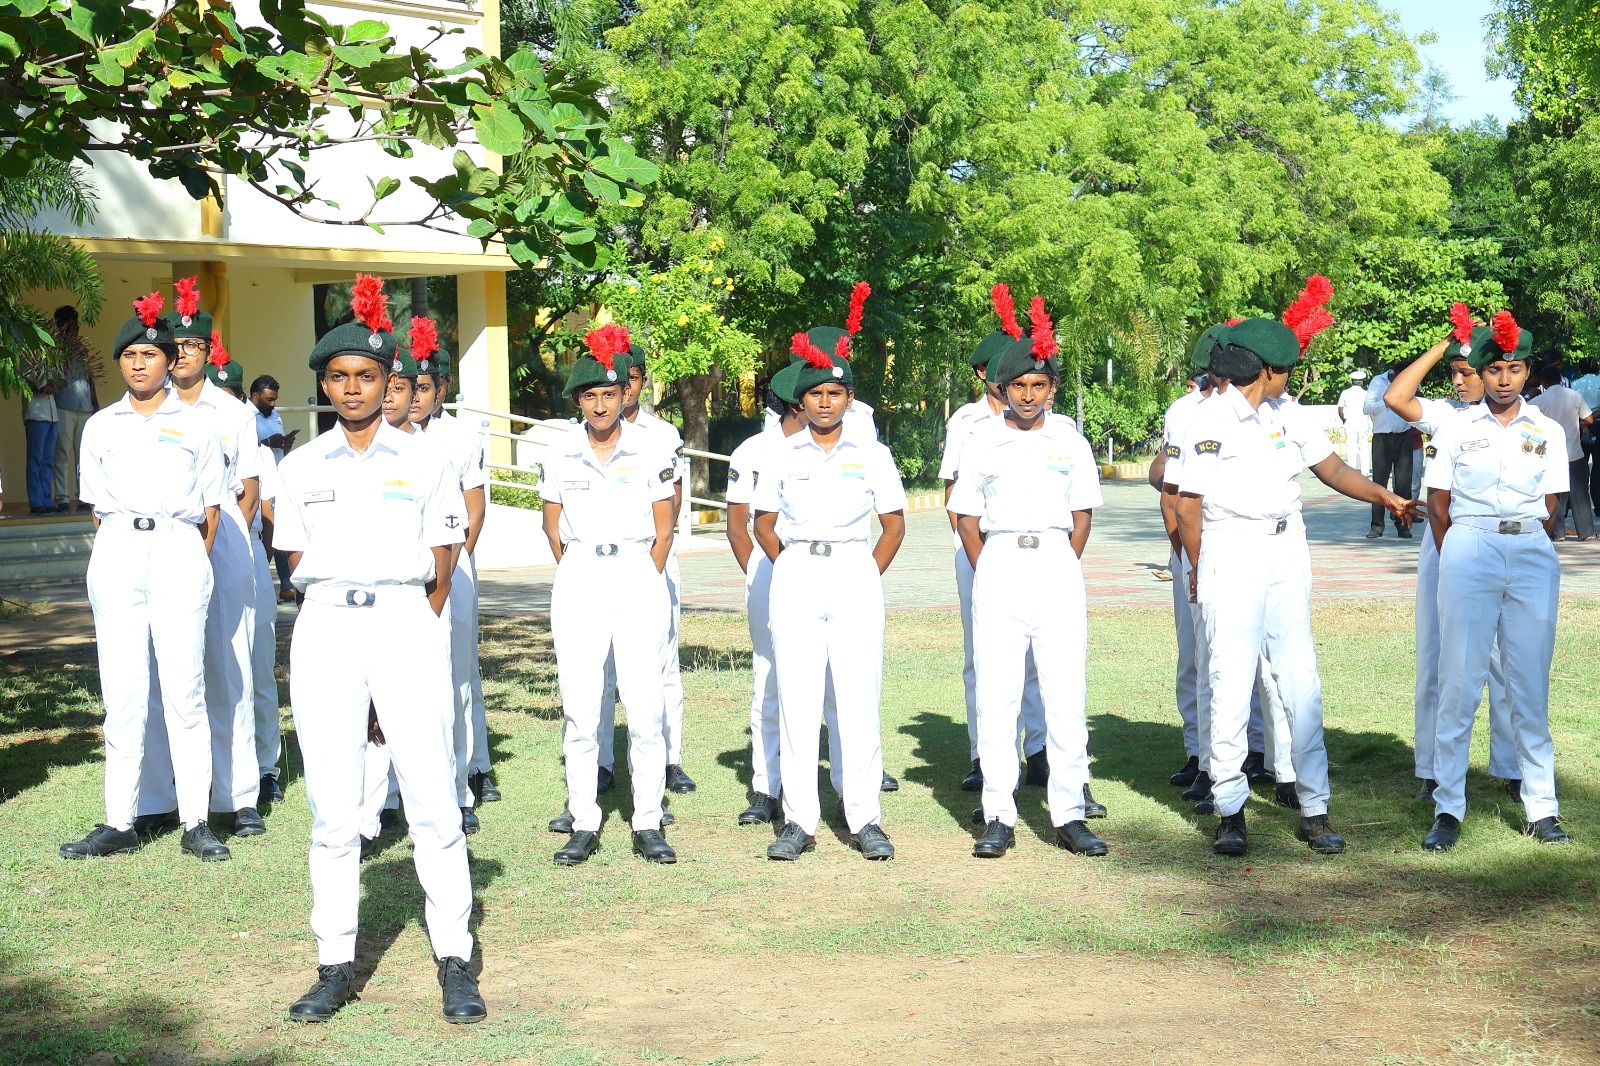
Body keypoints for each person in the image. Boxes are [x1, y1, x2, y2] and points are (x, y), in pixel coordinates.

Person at [274, 276, 485, 1024]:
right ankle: (334, 963)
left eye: (366, 376)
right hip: (328, 626)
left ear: (389, 380)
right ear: (325, 384)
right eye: (339, 376)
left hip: (403, 620)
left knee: (431, 799)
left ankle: (454, 957)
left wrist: (410, 631)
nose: (353, 388)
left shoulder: (426, 460)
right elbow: (293, 561)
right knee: (334, 810)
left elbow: (443, 560)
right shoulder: (300, 466)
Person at [1175, 280, 1417, 857]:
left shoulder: (1288, 413)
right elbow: (1186, 507)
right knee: (1230, 681)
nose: (1291, 378)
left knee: (1300, 679)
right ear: (1267, 370)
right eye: (1287, 369)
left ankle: (1315, 808)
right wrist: (1203, 567)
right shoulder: (1207, 420)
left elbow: (1333, 470)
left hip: (1287, 548)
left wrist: (1384, 496)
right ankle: (1231, 811)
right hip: (1232, 547)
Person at [58, 292, 228, 862]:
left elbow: (211, 511)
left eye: (149, 354)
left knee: (185, 690)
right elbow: (96, 506)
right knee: (124, 690)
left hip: (178, 546)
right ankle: (119, 821)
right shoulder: (101, 426)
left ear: (170, 361)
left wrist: (187, 558)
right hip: (119, 549)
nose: (137, 364)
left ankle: (196, 820)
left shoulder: (198, 425)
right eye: (129, 355)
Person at [950, 298, 1108, 858]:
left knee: (1065, 693)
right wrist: (989, 565)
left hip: (1055, 563)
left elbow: (1082, 514)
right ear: (1003, 389)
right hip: (999, 562)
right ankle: (999, 814)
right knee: (998, 695)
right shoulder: (980, 441)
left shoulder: (1069, 441)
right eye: (1017, 386)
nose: (1027, 395)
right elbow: (965, 517)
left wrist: (1060, 560)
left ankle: (1069, 813)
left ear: (1052, 388)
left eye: (1038, 385)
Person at [753, 326, 908, 862]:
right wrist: (791, 566)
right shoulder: (781, 454)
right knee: (797, 698)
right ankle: (798, 820)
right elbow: (763, 523)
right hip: (797, 569)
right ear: (801, 401)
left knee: (857, 697)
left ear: (849, 398)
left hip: (852, 570)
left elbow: (893, 525)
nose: (825, 402)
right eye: (816, 393)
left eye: (835, 393)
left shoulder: (873, 454)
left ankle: (864, 818)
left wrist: (864, 573)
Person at [1421, 312, 1571, 851]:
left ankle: (1542, 807)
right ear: (1480, 373)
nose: (1505, 380)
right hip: (1470, 546)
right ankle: (1448, 807)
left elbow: (1553, 504)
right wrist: (1461, 552)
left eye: (1515, 369)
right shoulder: (1456, 428)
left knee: (1529, 684)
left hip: (1530, 548)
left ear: (1528, 371)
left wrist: (1525, 541)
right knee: (1459, 684)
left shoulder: (1547, 430)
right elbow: (1438, 502)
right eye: (1495, 370)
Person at [539, 322, 677, 866]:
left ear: (625, 394)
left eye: (609, 394)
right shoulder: (561, 452)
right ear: (578, 400)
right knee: (580, 708)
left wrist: (643, 572)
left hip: (637, 572)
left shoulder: (651, 448)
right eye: (590, 396)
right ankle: (583, 820)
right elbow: (552, 527)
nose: (600, 405)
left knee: (644, 708)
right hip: (581, 577)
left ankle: (647, 821)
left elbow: (664, 528)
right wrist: (581, 569)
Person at [132, 282, 264, 841]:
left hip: (223, 539)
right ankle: (162, 796)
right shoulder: (145, 409)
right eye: (176, 346)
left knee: (229, 668)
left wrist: (211, 549)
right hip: (165, 545)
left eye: (193, 346)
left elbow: (249, 491)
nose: (183, 354)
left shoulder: (232, 412)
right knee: (161, 672)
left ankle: (239, 796)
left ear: (208, 352)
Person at [1382, 305, 1523, 802]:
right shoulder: (1445, 414)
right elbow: (1396, 396)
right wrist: (1447, 344)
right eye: (1454, 374)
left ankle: (1513, 767)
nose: (1459, 382)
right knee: (1437, 655)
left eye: (1467, 372)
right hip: (1446, 540)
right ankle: (1434, 768)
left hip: (1501, 540)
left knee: (1507, 658)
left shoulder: (1525, 417)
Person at [940, 285, 1048, 795]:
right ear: (986, 373)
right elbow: (953, 492)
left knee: (1038, 655)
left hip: (1031, 548)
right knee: (983, 656)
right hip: (979, 548)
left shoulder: (1049, 423)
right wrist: (978, 554)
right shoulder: (966, 422)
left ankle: (1039, 749)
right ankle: (984, 754)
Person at [408, 323, 494, 829]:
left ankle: (469, 774)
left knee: (460, 673)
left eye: (424, 387)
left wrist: (455, 562)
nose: (415, 397)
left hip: (452, 562)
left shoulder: (459, 437)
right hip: (404, 572)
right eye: (408, 387)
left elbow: (473, 510)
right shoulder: (390, 432)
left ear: (440, 389)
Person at [1528, 362, 1595, 540]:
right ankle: (1587, 532)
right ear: (1560, 379)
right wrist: (1576, 422)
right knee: (1580, 494)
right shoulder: (1574, 395)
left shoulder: (1538, 402)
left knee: (1555, 492)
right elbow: (1589, 419)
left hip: (1551, 455)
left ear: (1543, 382)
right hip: (1574, 452)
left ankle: (1558, 533)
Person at [252, 374, 299, 602]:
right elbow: (247, 446)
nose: (273, 404)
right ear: (255, 397)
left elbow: (279, 448)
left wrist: (285, 444)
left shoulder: (275, 416)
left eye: (275, 399)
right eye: (269, 399)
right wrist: (269, 442)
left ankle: (286, 584)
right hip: (257, 481)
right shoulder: (246, 417)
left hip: (278, 475)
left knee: (281, 529)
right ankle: (259, 577)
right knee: (266, 529)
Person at [50, 305, 99, 513]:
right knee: (62, 454)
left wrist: (95, 402)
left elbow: (89, 377)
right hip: (63, 405)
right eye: (72, 323)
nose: (76, 327)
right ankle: (62, 498)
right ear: (61, 325)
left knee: (83, 455)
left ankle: (83, 497)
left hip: (84, 406)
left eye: (76, 323)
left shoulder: (82, 348)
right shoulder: (54, 348)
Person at [1363, 362, 1415, 538]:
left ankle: (1403, 526)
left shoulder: (1410, 383)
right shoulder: (1378, 382)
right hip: (1382, 438)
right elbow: (1367, 408)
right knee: (1379, 483)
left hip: (1404, 437)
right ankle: (1377, 526)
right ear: (1395, 373)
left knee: (1404, 484)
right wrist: (1387, 401)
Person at [20, 347, 59, 514]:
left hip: (52, 416)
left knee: (47, 461)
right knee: (35, 460)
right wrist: (50, 385)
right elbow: (43, 386)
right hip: (36, 415)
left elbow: (62, 381)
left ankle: (46, 500)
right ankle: (36, 502)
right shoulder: (27, 360)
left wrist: (51, 385)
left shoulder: (49, 361)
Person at [1337, 370, 1371, 477]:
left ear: (1352, 381)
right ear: (1362, 382)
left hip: (1350, 422)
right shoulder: (1366, 393)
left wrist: (1344, 420)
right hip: (1363, 422)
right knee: (1364, 446)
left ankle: (1351, 470)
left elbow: (1340, 409)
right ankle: (1365, 471)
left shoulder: (1345, 393)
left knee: (1350, 446)